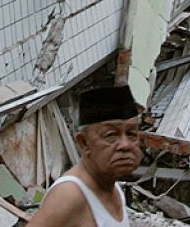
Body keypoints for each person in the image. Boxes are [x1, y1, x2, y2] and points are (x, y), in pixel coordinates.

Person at [28, 86, 142, 227]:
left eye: (131, 134)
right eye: (111, 135)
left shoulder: (112, 187)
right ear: (84, 142)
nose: (125, 145)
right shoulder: (70, 195)